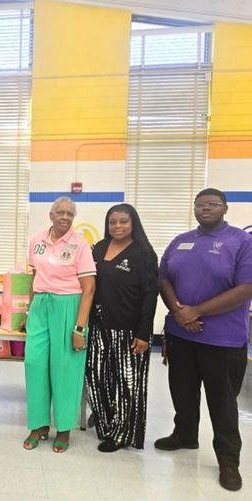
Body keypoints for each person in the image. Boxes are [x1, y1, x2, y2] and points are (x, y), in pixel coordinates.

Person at [155, 188, 252, 492]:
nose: (206, 208)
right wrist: (179, 311)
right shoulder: (182, 240)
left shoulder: (242, 241)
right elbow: (163, 278)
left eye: (212, 204)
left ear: (225, 208)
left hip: (223, 340)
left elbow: (246, 288)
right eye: (200, 204)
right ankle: (185, 435)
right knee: (182, 392)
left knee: (222, 402)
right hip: (181, 335)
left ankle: (228, 460)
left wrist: (197, 311)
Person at [23, 196, 96, 452]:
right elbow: (34, 278)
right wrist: (30, 311)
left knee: (64, 369)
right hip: (41, 305)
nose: (65, 217)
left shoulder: (80, 245)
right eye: (61, 213)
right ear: (51, 215)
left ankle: (63, 429)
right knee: (35, 363)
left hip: (68, 306)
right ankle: (39, 424)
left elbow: (89, 290)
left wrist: (79, 328)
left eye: (70, 214)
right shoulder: (36, 242)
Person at [86, 203, 158, 453]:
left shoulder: (144, 253)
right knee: (95, 377)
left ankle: (122, 433)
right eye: (112, 222)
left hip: (129, 329)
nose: (117, 226)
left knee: (127, 383)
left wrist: (144, 333)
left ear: (133, 223)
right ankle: (106, 422)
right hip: (98, 326)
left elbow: (150, 295)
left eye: (123, 221)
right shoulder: (99, 248)